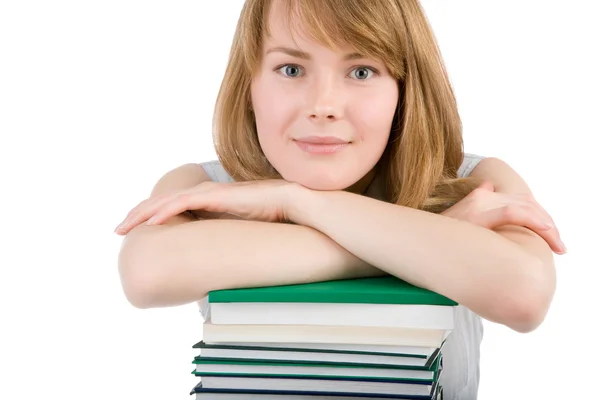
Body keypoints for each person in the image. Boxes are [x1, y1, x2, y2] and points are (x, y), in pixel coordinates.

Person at [114, 0, 564, 398]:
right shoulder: (204, 188)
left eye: (362, 71)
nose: (323, 105)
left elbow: (524, 296)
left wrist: (299, 203)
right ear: (249, 86)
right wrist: (430, 238)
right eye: (291, 69)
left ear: (404, 93)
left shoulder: (473, 184)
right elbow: (147, 274)